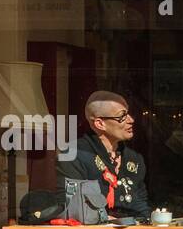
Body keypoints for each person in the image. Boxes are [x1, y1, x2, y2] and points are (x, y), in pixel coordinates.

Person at [59, 91, 149, 220]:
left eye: (128, 114)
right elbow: (74, 206)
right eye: (122, 116)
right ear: (100, 123)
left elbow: (141, 205)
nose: (131, 120)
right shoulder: (75, 154)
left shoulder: (134, 158)